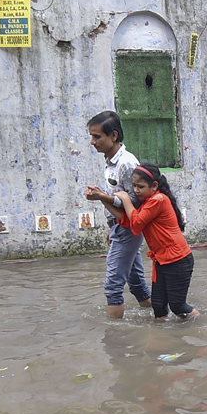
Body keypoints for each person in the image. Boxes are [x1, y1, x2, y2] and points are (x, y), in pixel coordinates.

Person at [96, 163, 198, 321]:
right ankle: (163, 340)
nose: (136, 190)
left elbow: (136, 222)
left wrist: (124, 198)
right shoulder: (147, 202)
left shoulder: (158, 200)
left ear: (154, 185)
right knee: (158, 306)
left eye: (140, 186)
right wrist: (103, 198)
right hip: (161, 260)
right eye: (134, 186)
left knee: (178, 307)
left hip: (178, 259)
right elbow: (127, 220)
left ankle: (200, 330)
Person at [83, 111, 151, 319]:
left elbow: (136, 200)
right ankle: (158, 318)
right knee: (135, 280)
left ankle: (115, 338)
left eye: (97, 137)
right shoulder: (111, 160)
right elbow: (119, 198)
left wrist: (102, 197)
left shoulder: (126, 163)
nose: (93, 142)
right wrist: (111, 226)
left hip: (128, 227)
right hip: (120, 226)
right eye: (91, 136)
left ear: (113, 136)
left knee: (113, 284)